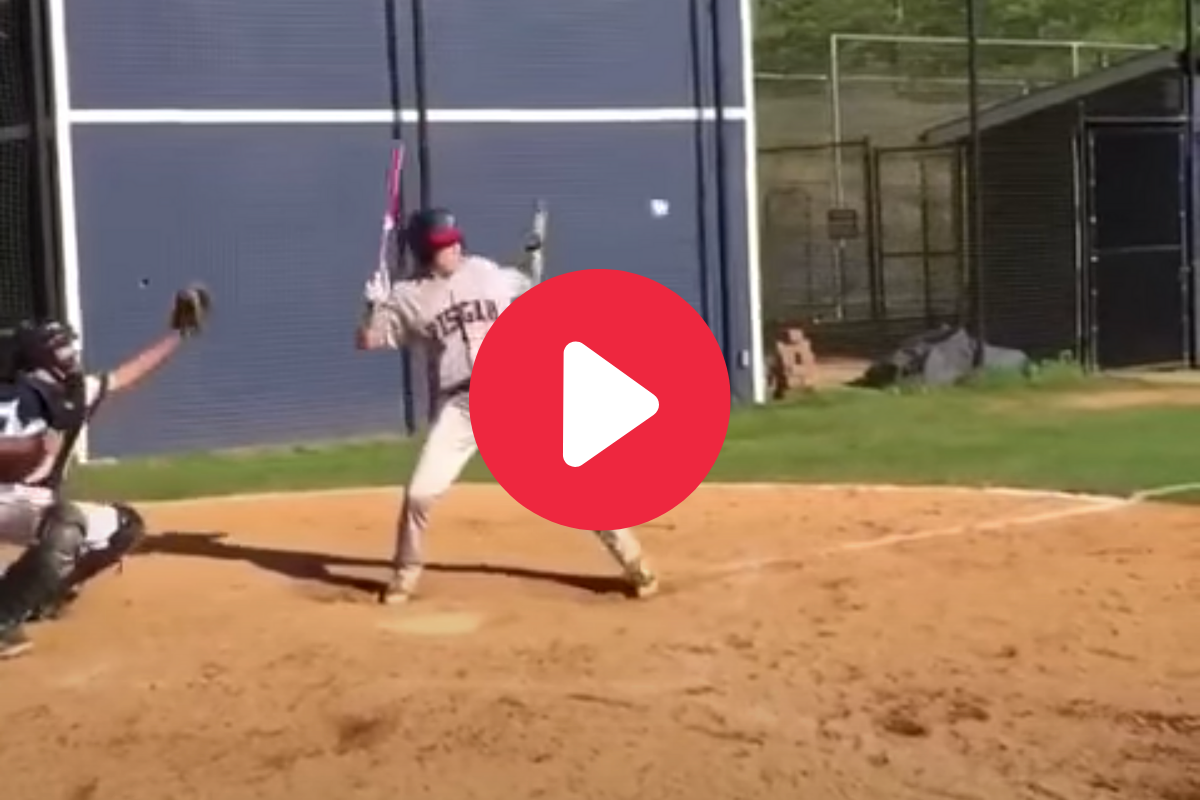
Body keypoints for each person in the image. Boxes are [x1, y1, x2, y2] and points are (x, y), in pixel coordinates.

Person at [356, 207, 659, 605]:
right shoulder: (406, 297)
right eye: (441, 246)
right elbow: (368, 340)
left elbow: (527, 284)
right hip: (460, 406)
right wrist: (372, 305)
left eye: (454, 242)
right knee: (419, 494)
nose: (452, 249)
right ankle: (405, 571)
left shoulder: (484, 271)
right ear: (421, 251)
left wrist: (531, 256)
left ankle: (633, 560)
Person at [0, 288, 209, 659]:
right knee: (65, 522)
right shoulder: (18, 396)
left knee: (124, 526)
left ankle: (40, 595)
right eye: (63, 346)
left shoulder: (75, 392)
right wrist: (26, 451)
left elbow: (127, 375)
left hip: (34, 504)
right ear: (44, 355)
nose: (72, 353)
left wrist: (179, 334)